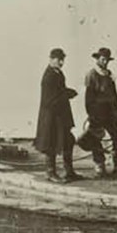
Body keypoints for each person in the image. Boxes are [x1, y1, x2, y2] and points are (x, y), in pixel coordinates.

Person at [34, 48, 80, 181]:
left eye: (62, 60)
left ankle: (69, 171)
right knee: (51, 143)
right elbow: (49, 100)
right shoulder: (49, 76)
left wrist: (68, 91)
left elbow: (60, 91)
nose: (61, 62)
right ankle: (50, 173)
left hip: (61, 115)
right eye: (58, 59)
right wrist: (67, 94)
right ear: (51, 59)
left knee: (69, 140)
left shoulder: (57, 73)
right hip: (51, 116)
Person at [83, 48, 117, 175]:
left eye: (107, 60)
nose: (105, 62)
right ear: (97, 59)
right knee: (96, 139)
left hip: (110, 112)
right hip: (97, 113)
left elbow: (114, 94)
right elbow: (88, 99)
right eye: (103, 59)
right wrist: (92, 115)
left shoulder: (108, 74)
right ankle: (99, 165)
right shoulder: (91, 75)